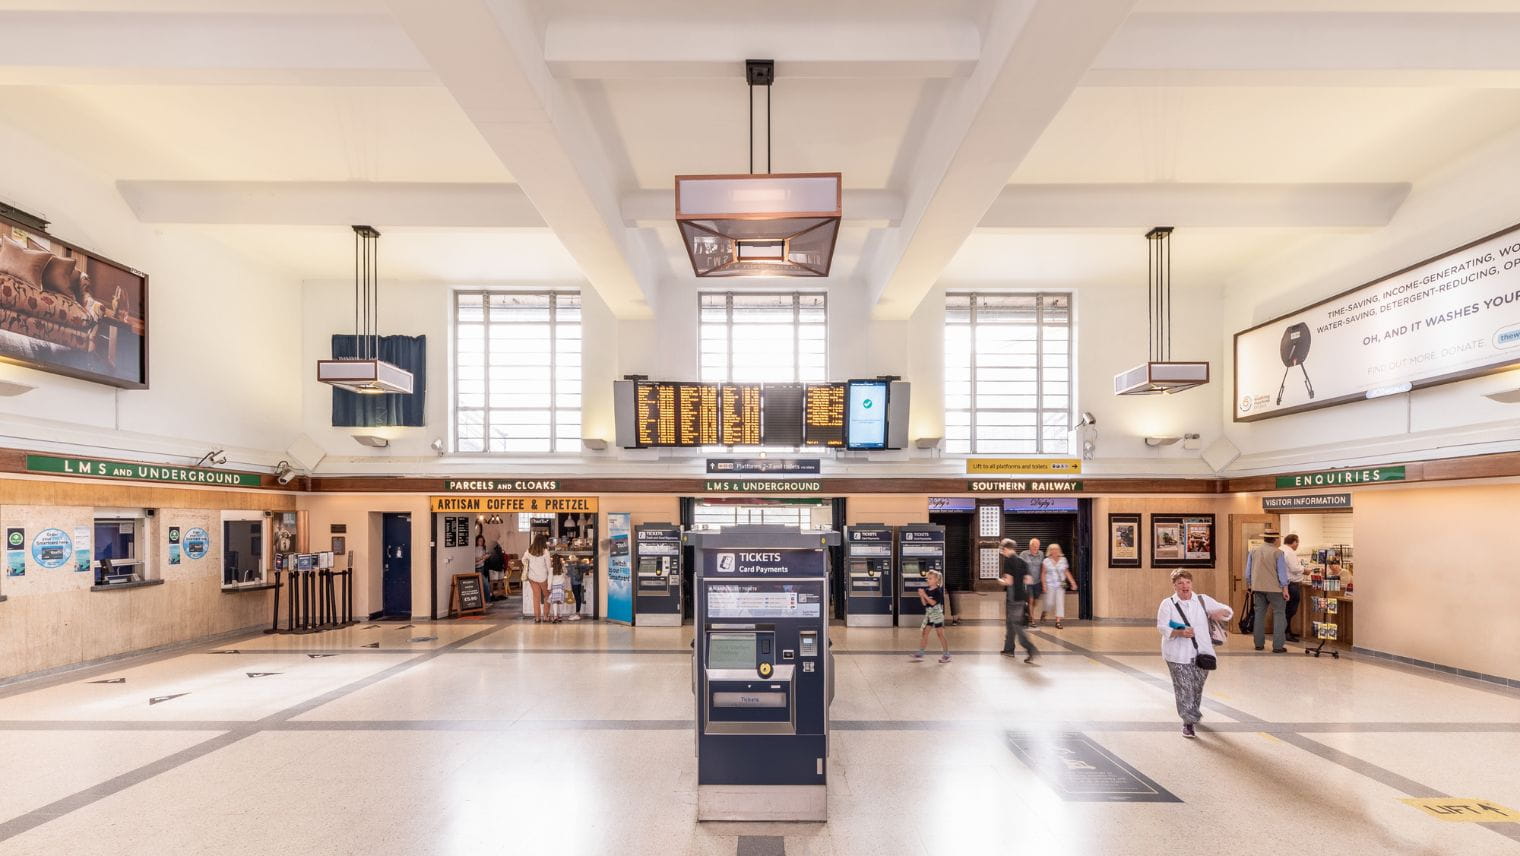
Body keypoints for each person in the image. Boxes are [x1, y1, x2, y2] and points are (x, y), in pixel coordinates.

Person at [1158, 568, 1233, 738]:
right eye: (1180, 583)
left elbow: (1226, 611)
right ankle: (1188, 722)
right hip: (1177, 654)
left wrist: (1222, 613)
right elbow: (1162, 626)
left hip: (1202, 652)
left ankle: (1193, 712)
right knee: (1184, 687)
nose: (1185, 586)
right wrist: (1179, 632)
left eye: (1187, 582)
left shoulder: (1202, 600)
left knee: (1197, 686)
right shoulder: (1168, 604)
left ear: (1191, 584)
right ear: (1174, 586)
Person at [1245, 529, 1292, 652]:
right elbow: (1282, 573)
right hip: (1275, 589)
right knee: (1279, 615)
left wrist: (1250, 584)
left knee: (1259, 615)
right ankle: (1277, 646)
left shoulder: (1253, 551)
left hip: (1258, 587)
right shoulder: (1278, 553)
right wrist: (1285, 589)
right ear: (1276, 539)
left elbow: (1248, 571)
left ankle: (1259, 644)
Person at [998, 539, 1038, 663]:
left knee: (1016, 625)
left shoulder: (1008, 561)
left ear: (1007, 548)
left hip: (1013, 597)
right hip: (1022, 597)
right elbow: (1029, 580)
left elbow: (1008, 582)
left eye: (1002, 550)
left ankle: (1031, 649)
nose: (1002, 552)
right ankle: (1009, 649)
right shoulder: (1023, 561)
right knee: (1010, 624)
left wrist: (1000, 581)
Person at [910, 569, 951, 663]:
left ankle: (946, 654)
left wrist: (924, 595)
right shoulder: (927, 590)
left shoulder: (938, 591)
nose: (928, 580)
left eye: (930, 578)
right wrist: (921, 595)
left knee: (940, 634)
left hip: (937, 615)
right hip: (929, 614)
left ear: (936, 580)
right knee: (925, 633)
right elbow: (924, 603)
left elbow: (933, 603)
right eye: (927, 578)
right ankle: (920, 653)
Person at [1038, 543, 1078, 629]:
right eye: (1052, 550)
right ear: (1050, 551)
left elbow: (1066, 572)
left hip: (1060, 584)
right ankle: (1045, 611)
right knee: (1049, 602)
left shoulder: (1063, 560)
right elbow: (1043, 573)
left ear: (1059, 551)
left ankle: (1058, 621)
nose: (1054, 551)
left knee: (1060, 602)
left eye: (1056, 549)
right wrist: (1044, 585)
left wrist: (1073, 582)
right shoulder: (1046, 561)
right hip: (1050, 585)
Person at [1281, 534, 1307, 642]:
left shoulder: (1280, 549)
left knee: (1285, 610)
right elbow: (1294, 568)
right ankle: (1286, 632)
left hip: (1284, 584)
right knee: (1291, 610)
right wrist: (1305, 570)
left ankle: (1286, 631)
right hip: (1292, 585)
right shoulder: (1290, 552)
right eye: (1297, 542)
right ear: (1294, 542)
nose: (1297, 545)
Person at [524, 534, 552, 623]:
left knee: (536, 597)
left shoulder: (529, 551)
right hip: (543, 578)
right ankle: (546, 617)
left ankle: (537, 617)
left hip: (532, 577)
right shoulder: (545, 552)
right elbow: (549, 567)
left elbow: (523, 559)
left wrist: (529, 565)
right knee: (547, 596)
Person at [1019, 537, 1043, 628]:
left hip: (1037, 582)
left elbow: (1042, 567)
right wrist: (1023, 576)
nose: (1036, 548)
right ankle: (1032, 620)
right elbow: (1019, 566)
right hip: (1027, 583)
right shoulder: (1024, 554)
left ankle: (1029, 614)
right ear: (1030, 546)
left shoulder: (1041, 554)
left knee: (1035, 601)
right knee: (1030, 600)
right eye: (1034, 546)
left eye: (1037, 546)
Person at [547, 555, 570, 623]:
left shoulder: (551, 569)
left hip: (554, 586)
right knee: (560, 601)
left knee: (554, 601)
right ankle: (560, 616)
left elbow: (550, 579)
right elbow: (566, 572)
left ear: (553, 561)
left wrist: (549, 587)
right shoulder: (562, 568)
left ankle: (555, 616)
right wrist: (563, 565)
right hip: (561, 586)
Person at [566, 557, 585, 621]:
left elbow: (568, 574)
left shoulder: (571, 566)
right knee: (578, 597)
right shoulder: (580, 565)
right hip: (579, 583)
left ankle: (577, 614)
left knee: (577, 598)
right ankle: (577, 613)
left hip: (574, 584)